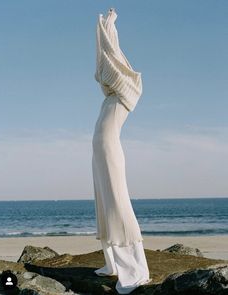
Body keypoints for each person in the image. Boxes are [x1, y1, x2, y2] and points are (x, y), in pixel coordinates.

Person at [92, 8, 152, 294]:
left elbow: (112, 58)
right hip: (100, 152)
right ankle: (113, 262)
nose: (106, 80)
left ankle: (134, 272)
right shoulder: (111, 96)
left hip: (110, 151)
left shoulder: (127, 92)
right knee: (104, 204)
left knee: (117, 205)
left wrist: (108, 28)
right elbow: (108, 65)